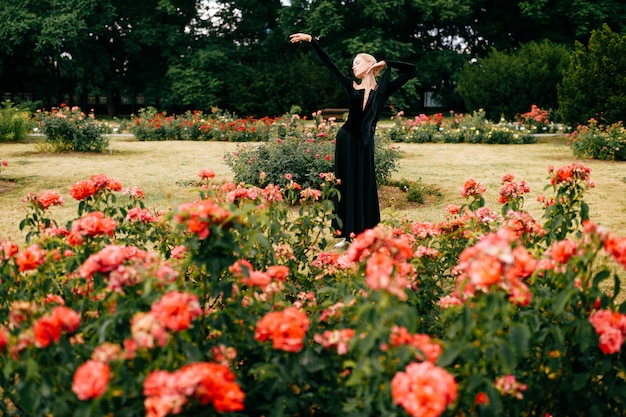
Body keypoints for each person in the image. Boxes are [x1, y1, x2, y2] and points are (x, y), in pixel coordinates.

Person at [289, 33, 416, 247]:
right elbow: (330, 65)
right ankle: (347, 234)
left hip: (364, 143)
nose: (353, 67)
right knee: (345, 184)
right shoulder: (351, 85)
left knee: (364, 183)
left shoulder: (382, 89)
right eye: (353, 64)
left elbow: (411, 70)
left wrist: (384, 63)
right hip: (346, 140)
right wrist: (312, 41)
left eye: (357, 63)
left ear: (369, 64)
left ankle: (367, 233)